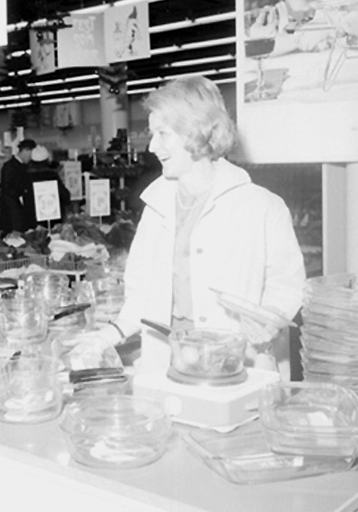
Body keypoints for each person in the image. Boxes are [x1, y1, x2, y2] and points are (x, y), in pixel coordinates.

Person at [79, 75, 306, 378]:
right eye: (153, 134)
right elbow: (141, 292)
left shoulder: (262, 207)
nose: (152, 146)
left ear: (197, 132)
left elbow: (287, 284)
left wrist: (270, 317)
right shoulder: (156, 206)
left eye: (163, 134)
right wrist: (108, 335)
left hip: (236, 362)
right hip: (169, 359)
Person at [24, 144, 71, 229]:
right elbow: (65, 196)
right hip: (53, 222)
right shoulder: (52, 176)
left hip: (32, 222)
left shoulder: (26, 177)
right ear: (47, 160)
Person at [0, 138, 36, 235]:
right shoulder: (10, 167)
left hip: (19, 215)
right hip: (13, 217)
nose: (32, 158)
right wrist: (23, 193)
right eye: (31, 154)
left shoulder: (20, 166)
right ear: (26, 150)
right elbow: (8, 190)